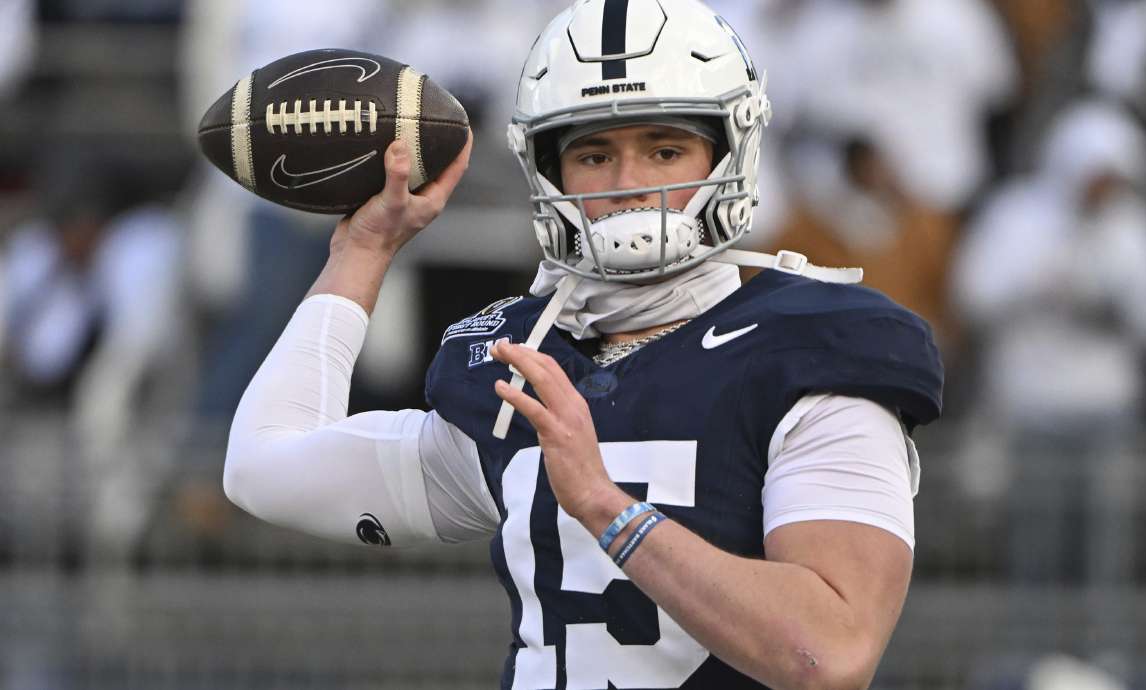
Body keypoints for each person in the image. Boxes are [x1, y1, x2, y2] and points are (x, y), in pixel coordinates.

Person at [223, 1, 943, 688]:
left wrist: (605, 505)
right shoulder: (521, 362)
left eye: (665, 149)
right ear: (547, 170)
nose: (630, 185)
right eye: (594, 155)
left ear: (732, 152)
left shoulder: (812, 348)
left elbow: (830, 654)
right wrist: (365, 248)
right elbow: (264, 466)